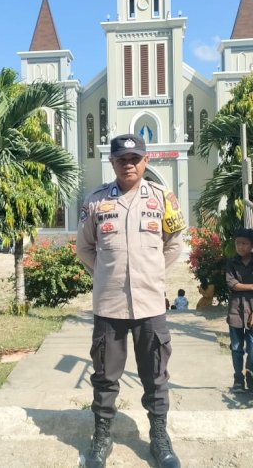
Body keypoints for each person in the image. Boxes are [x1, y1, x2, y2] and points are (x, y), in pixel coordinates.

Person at [77, 133, 185, 468]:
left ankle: (158, 437)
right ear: (112, 163)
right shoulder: (96, 202)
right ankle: (102, 437)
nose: (129, 164)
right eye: (122, 159)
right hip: (109, 305)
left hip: (151, 304)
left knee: (155, 375)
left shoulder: (162, 198)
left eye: (135, 158)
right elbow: (84, 248)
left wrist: (150, 274)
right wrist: (108, 275)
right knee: (106, 376)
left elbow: (175, 242)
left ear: (145, 160)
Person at [226, 227, 253, 393]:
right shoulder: (231, 262)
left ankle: (252, 378)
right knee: (236, 348)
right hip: (236, 311)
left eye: (244, 243)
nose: (240, 246)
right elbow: (232, 284)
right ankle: (238, 380)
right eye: (238, 243)